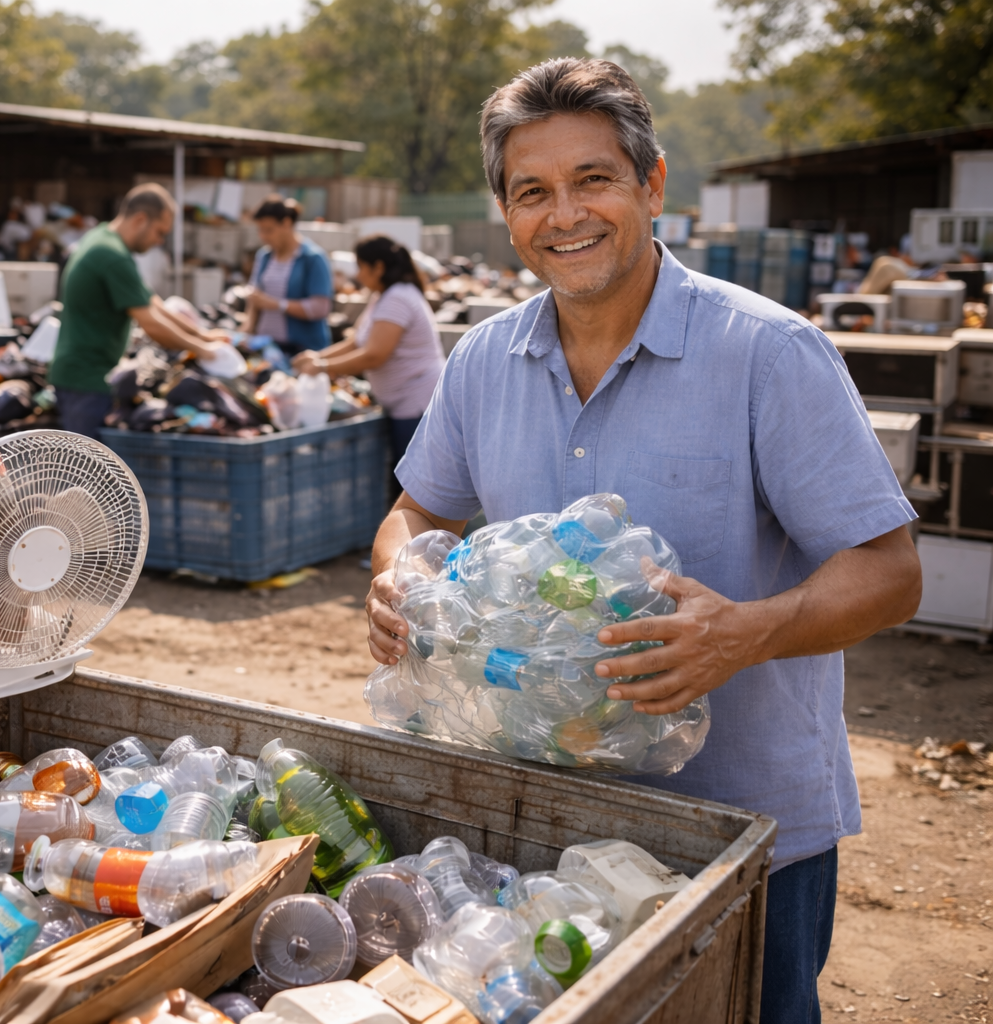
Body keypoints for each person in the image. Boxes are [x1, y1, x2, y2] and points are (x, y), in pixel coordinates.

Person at [362, 59, 920, 1024]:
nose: (565, 215)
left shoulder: (767, 353)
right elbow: (417, 511)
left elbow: (891, 572)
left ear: (653, 185)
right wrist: (398, 576)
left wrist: (746, 631)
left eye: (595, 180)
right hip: (542, 814)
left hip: (738, 828)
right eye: (533, 191)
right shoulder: (485, 358)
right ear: (506, 213)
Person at [49, 183, 232, 439]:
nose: (159, 241)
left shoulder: (102, 239)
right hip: (86, 380)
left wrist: (202, 335)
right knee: (86, 463)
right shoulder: (112, 255)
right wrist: (203, 350)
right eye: (159, 232)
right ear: (140, 219)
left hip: (84, 376)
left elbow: (153, 303)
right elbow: (151, 323)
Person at [292, 234, 444, 475]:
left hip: (417, 405)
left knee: (415, 481)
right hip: (404, 405)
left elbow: (374, 355)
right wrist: (317, 357)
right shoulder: (383, 296)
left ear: (378, 267)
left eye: (361, 266)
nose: (358, 275)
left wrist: (322, 366)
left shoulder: (398, 298)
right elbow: (356, 342)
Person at [242, 195, 334, 356]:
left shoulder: (312, 258)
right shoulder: (264, 257)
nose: (263, 236)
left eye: (269, 230)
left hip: (303, 351)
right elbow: (255, 299)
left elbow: (320, 308)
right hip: (268, 348)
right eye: (260, 230)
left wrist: (278, 304)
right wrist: (246, 331)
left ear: (286, 223)